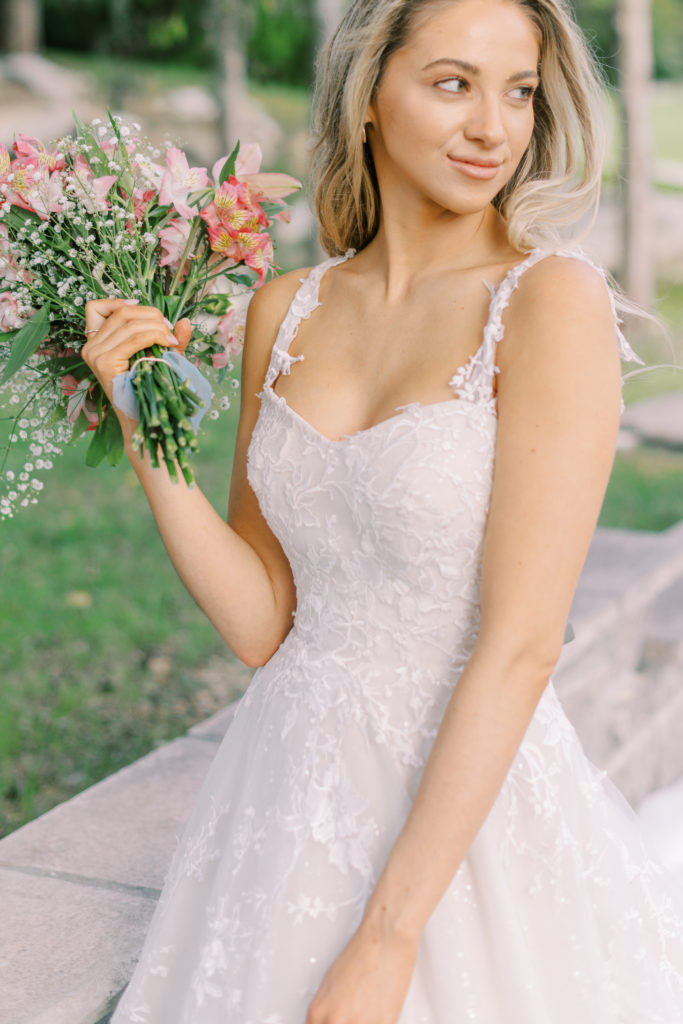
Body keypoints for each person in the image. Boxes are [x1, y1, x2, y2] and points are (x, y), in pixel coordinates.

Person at [84, 0, 683, 1020]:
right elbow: (265, 621)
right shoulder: (287, 308)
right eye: (452, 83)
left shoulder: (549, 301)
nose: (492, 127)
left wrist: (388, 934)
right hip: (280, 799)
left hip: (464, 829)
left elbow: (521, 644)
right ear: (369, 96)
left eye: (518, 91)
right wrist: (150, 433)